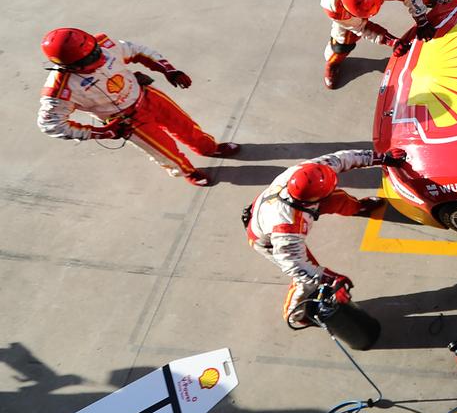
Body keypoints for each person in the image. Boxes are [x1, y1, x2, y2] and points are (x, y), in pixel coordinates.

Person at [37, 27, 239, 186]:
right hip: (128, 122)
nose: (99, 57)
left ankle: (208, 148)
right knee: (165, 151)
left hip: (148, 96)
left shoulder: (103, 45)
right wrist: (102, 133)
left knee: (187, 126)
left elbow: (137, 51)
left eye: (95, 51)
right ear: (69, 65)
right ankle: (187, 171)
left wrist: (168, 70)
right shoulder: (59, 90)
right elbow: (51, 125)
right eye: (90, 58)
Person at [244, 148, 406, 328]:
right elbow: (297, 266)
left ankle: (358, 208)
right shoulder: (287, 229)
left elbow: (343, 158)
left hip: (273, 209)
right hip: (267, 240)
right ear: (311, 202)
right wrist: (333, 280)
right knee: (305, 282)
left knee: (339, 199)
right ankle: (295, 315)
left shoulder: (311, 170)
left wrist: (383, 157)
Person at [320, 0, 437, 89]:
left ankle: (425, 0)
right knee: (342, 43)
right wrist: (392, 41)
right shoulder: (334, 9)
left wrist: (421, 19)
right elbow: (362, 28)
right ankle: (332, 63)